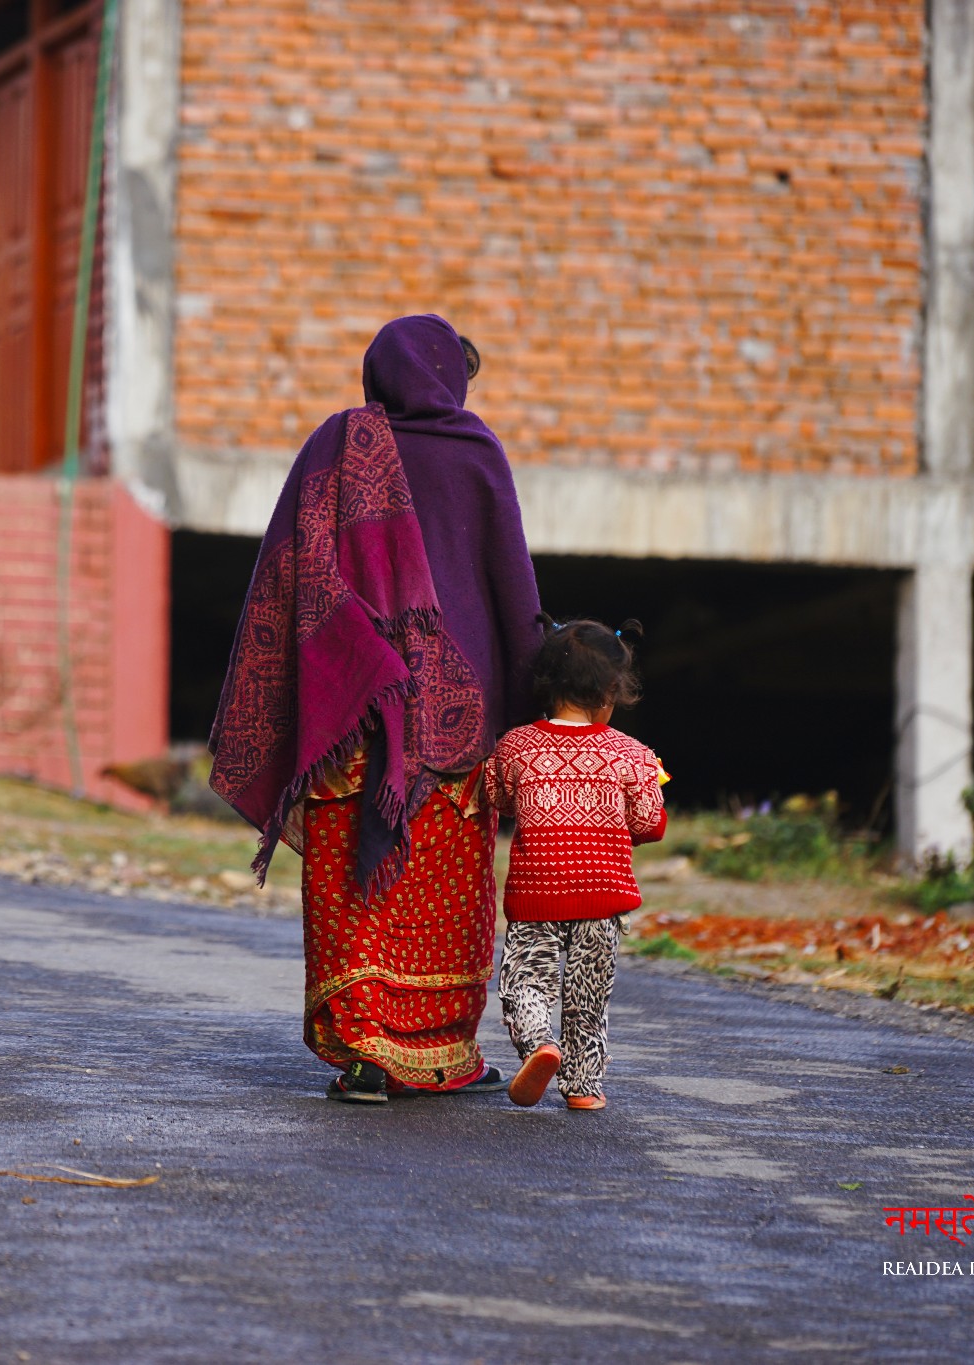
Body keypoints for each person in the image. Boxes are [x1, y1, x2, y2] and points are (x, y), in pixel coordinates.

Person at [209, 315, 546, 1104]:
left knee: (358, 883)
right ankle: (440, 1051)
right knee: (443, 886)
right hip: (460, 720)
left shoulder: (336, 444)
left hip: (350, 707)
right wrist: (541, 696)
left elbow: (288, 575)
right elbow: (512, 583)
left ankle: (367, 1052)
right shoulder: (477, 452)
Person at [483, 618, 668, 1111]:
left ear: (546, 684)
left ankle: (539, 1045)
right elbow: (649, 824)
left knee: (527, 981)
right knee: (587, 998)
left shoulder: (515, 745)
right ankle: (584, 1087)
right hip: (604, 896)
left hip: (536, 891)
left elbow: (497, 799)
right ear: (612, 689)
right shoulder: (633, 755)